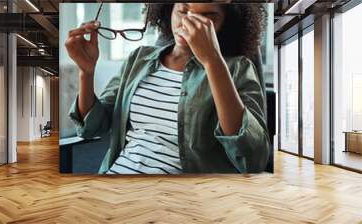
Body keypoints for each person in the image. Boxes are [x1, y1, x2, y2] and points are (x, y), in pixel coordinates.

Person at [65, 3, 270, 174]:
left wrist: (212, 61)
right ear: (168, 10)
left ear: (227, 23)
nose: (189, 25)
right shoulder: (139, 59)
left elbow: (253, 158)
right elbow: (93, 127)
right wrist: (86, 72)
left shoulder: (238, 68)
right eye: (182, 11)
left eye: (207, 18)